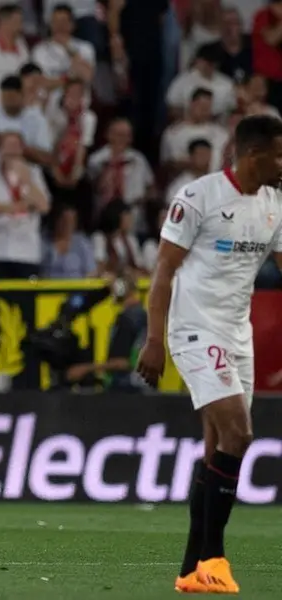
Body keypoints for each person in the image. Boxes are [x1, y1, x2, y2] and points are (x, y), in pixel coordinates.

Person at [137, 114, 282, 595]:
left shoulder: (274, 203)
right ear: (254, 154)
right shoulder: (197, 197)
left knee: (215, 449)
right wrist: (155, 339)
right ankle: (214, 559)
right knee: (239, 433)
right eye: (279, 155)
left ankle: (189, 571)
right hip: (194, 329)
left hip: (236, 335)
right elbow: (163, 272)